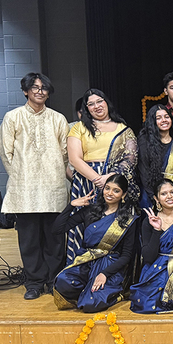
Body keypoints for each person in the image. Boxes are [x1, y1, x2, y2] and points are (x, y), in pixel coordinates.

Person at [0, 72, 70, 300]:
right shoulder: (13, 117)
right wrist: (21, 177)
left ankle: (54, 280)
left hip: (54, 187)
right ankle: (34, 283)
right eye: (35, 87)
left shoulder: (58, 118)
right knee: (29, 241)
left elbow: (65, 154)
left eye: (44, 88)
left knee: (55, 238)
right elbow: (5, 152)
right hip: (25, 189)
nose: (40, 91)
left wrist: (58, 176)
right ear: (25, 91)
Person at [66, 88, 138, 262]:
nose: (96, 106)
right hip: (86, 182)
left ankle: (113, 269)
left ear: (107, 102)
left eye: (99, 101)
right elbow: (75, 159)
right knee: (83, 225)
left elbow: (131, 157)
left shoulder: (123, 128)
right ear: (86, 109)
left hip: (115, 181)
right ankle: (79, 271)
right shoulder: (79, 128)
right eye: (91, 104)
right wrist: (97, 179)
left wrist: (110, 178)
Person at [52, 174, 138, 312]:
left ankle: (117, 294)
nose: (110, 193)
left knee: (89, 304)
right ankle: (87, 288)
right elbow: (57, 229)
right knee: (62, 281)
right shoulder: (90, 211)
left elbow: (126, 256)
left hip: (109, 266)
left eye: (116, 190)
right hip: (87, 261)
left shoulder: (126, 220)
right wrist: (71, 205)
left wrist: (105, 273)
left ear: (123, 195)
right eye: (107, 188)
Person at [128, 179, 173, 313]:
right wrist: (157, 230)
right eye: (164, 194)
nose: (169, 196)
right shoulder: (149, 221)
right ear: (156, 199)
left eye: (172, 192)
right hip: (156, 267)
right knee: (145, 301)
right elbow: (148, 257)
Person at [137, 104, 173, 209]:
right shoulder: (144, 142)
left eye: (166, 117)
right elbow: (144, 172)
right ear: (152, 122)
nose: (164, 120)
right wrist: (155, 198)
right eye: (158, 118)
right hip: (151, 197)